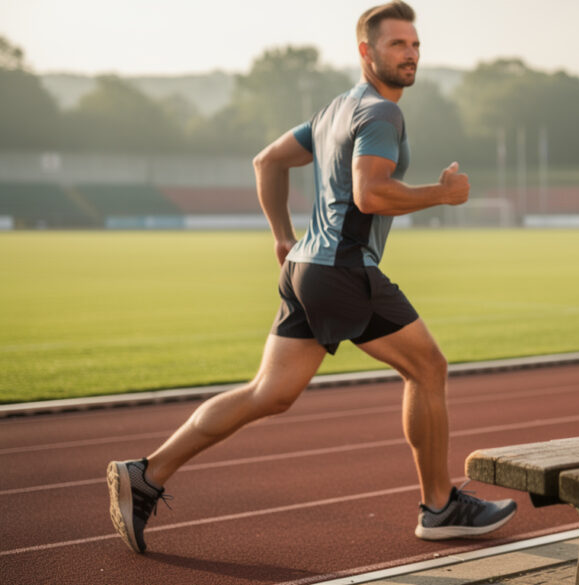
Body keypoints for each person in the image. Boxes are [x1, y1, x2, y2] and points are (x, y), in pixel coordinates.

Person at [106, 0, 516, 554]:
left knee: (268, 394)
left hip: (306, 267)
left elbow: (267, 162)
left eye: (415, 45)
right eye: (398, 44)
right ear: (366, 52)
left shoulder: (331, 112)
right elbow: (371, 194)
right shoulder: (381, 114)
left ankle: (146, 474)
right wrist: (441, 195)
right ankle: (440, 507)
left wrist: (282, 235)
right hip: (343, 269)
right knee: (428, 368)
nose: (411, 54)